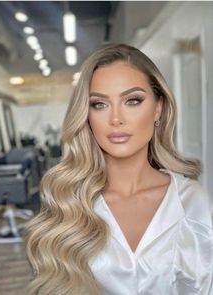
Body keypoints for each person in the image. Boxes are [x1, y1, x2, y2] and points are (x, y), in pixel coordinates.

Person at [26, 44, 213, 295]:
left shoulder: (193, 203)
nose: (116, 119)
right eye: (99, 104)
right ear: (86, 115)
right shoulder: (69, 204)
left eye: (132, 100)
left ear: (158, 107)